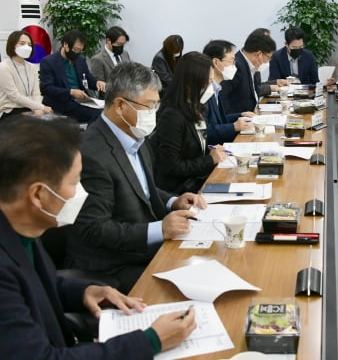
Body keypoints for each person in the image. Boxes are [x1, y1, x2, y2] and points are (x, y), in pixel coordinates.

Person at [0, 116, 196, 358]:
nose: (81, 193)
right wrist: (150, 341)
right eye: (75, 183)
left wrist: (83, 292)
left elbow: (38, 284)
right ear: (38, 195)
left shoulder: (22, 227)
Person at [65, 62, 206, 293]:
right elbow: (94, 229)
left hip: (143, 248)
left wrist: (173, 200)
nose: (154, 113)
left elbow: (140, 187)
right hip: (114, 264)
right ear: (120, 105)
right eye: (149, 106)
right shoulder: (92, 154)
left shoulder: (134, 136)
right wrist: (158, 229)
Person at [153, 52, 227, 194]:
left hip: (197, 180)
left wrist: (210, 151)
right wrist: (209, 160)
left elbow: (192, 148)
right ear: (190, 84)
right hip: (182, 190)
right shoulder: (172, 116)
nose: (210, 87)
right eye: (208, 82)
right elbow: (170, 166)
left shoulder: (195, 106)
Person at [39, 29, 105, 124]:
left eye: (80, 51)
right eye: (75, 50)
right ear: (65, 45)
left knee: (107, 112)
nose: (77, 53)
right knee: (98, 114)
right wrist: (70, 92)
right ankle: (89, 138)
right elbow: (46, 88)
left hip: (81, 102)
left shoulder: (80, 61)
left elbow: (89, 81)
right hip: (60, 103)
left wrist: (98, 83)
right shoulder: (49, 62)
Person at [219, 32, 286, 115]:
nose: (268, 61)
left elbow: (255, 89)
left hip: (252, 115)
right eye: (268, 57)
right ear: (259, 54)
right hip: (240, 121)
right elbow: (223, 102)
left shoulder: (253, 66)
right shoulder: (236, 67)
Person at [202, 40, 255, 145]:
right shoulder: (205, 91)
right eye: (231, 61)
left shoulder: (217, 87)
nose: (234, 66)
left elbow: (220, 120)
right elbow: (204, 131)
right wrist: (233, 127)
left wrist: (240, 115)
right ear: (216, 62)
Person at [0, 30, 52, 121]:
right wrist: (41, 107)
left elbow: (36, 93)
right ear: (12, 45)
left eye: (29, 45)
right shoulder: (4, 67)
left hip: (30, 108)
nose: (27, 47)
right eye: (22, 43)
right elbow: (14, 96)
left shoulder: (32, 67)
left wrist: (37, 109)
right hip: (9, 111)